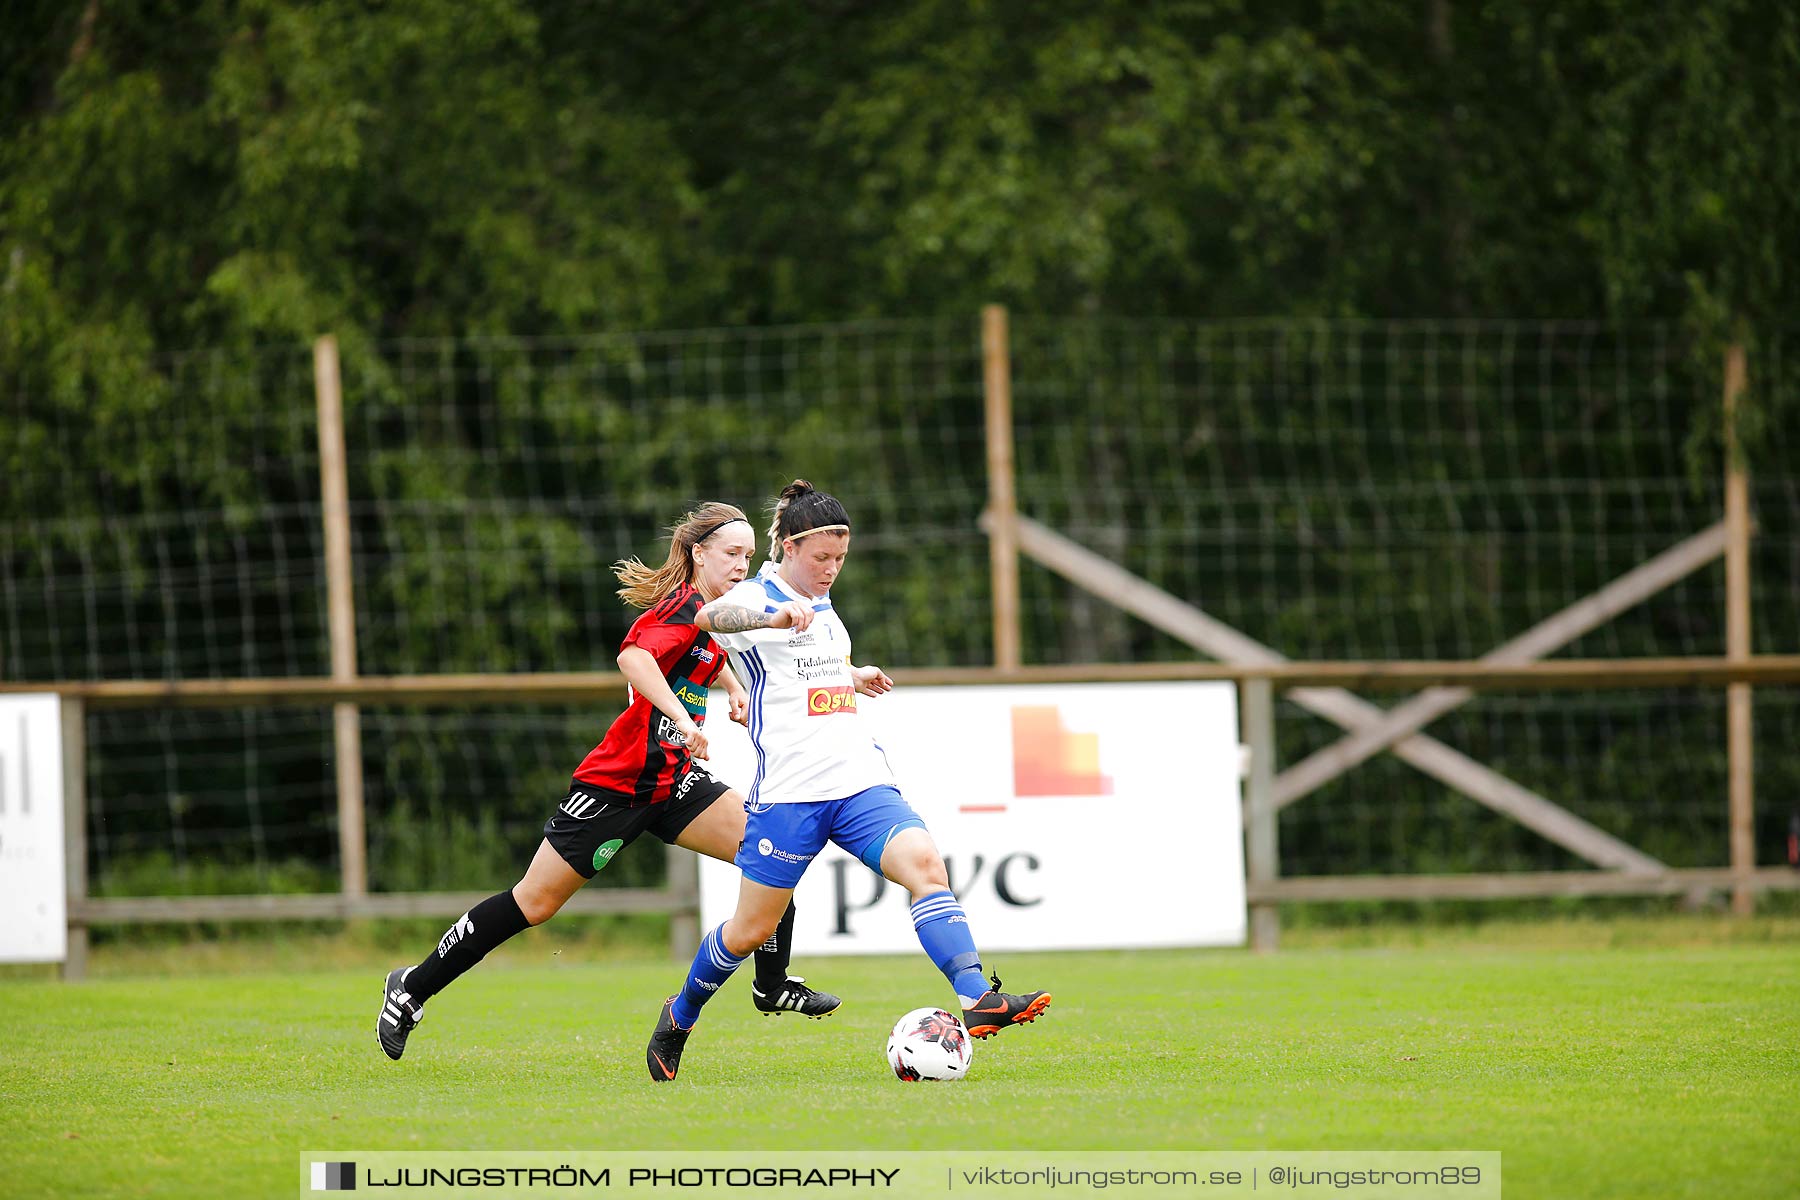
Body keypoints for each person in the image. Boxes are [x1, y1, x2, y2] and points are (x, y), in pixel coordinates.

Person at [377, 502, 842, 1061]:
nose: (741, 565)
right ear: (699, 554)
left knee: (771, 853)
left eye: (747, 555)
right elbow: (634, 658)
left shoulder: (714, 612)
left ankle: (771, 985)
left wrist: (734, 687)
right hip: (616, 786)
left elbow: (703, 652)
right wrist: (680, 715)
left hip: (673, 784)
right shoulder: (682, 607)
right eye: (730, 554)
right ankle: (411, 987)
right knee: (535, 902)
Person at [644, 480, 1050, 1082]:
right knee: (750, 931)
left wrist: (849, 675)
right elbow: (708, 614)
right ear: (785, 546)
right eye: (821, 559)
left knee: (926, 869)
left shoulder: (824, 605)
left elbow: (804, 672)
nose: (831, 570)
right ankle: (679, 1016)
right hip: (790, 795)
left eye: (840, 559)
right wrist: (773, 616)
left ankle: (975, 997)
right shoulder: (753, 597)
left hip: (859, 779)